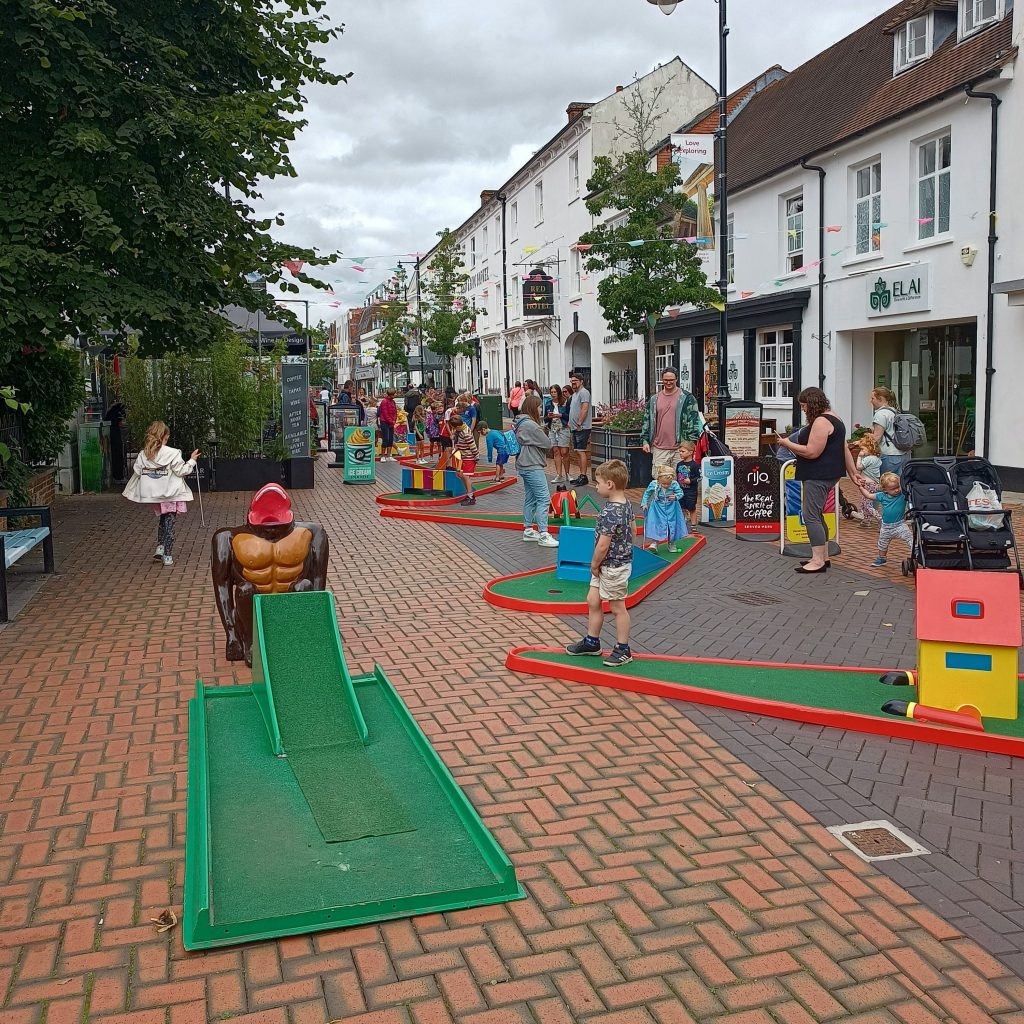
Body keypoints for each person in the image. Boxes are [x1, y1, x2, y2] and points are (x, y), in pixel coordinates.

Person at [775, 387, 863, 574]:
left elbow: (811, 451)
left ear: (812, 404)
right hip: (829, 474)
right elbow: (844, 448)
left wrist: (786, 443)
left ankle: (817, 561)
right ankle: (824, 556)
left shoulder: (821, 422)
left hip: (817, 475)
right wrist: (853, 472)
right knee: (817, 514)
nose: (803, 410)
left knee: (810, 516)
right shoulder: (835, 417)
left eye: (804, 406)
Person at [564, 459, 634, 667]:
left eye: (598, 482)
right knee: (593, 600)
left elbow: (603, 544)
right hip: (610, 564)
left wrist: (594, 564)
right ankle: (592, 642)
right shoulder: (626, 504)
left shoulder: (611, 511)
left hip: (612, 565)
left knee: (617, 606)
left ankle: (623, 649)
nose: (596, 486)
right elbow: (634, 529)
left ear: (610, 484)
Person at [122, 420, 200, 567]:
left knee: (163, 520)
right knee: (170, 522)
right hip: (171, 493)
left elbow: (138, 470)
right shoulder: (173, 453)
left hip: (155, 494)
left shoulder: (144, 454)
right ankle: (168, 555)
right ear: (165, 436)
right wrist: (192, 460)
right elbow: (182, 471)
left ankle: (160, 546)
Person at [514, 394, 558, 548]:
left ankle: (528, 529)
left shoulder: (520, 422)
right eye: (539, 407)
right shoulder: (531, 425)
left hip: (524, 463)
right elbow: (547, 443)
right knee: (544, 498)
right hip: (533, 464)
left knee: (531, 498)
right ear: (533, 407)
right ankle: (544, 533)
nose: (541, 409)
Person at [640, 366, 702, 471]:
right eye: (666, 380)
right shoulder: (654, 399)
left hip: (681, 448)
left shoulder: (687, 398)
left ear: (676, 379)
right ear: (662, 380)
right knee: (660, 480)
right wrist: (645, 441)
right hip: (659, 448)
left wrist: (691, 444)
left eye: (671, 380)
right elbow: (647, 421)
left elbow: (694, 421)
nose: (668, 383)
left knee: (682, 480)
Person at [859, 471, 913, 568]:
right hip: (886, 526)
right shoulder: (882, 496)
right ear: (885, 490)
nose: (897, 490)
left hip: (900, 524)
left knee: (910, 537)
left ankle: (916, 551)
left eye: (898, 487)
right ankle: (882, 558)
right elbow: (868, 495)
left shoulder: (903, 495)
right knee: (882, 542)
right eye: (893, 489)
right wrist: (861, 487)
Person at [641, 465, 687, 553]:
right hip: (657, 507)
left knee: (672, 524)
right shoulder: (654, 484)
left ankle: (671, 543)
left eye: (668, 484)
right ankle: (655, 543)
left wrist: (676, 496)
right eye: (663, 484)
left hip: (672, 507)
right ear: (658, 480)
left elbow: (680, 493)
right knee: (657, 523)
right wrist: (644, 503)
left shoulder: (674, 484)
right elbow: (647, 493)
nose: (666, 485)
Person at [869, 387, 909, 478]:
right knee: (898, 485)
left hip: (888, 455)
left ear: (881, 399)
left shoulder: (881, 414)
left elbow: (877, 437)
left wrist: (866, 451)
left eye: (872, 398)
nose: (870, 401)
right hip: (902, 454)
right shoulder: (895, 412)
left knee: (886, 485)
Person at [567, 372, 593, 486]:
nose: (573, 383)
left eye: (575, 381)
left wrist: (579, 423)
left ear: (581, 382)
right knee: (577, 451)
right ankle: (581, 475)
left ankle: (584, 476)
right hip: (575, 427)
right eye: (572, 381)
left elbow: (585, 408)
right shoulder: (575, 394)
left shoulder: (584, 392)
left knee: (581, 451)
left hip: (582, 427)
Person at [544, 384, 571, 485]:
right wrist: (549, 416)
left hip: (563, 427)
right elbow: (545, 418)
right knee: (556, 451)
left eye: (555, 392)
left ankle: (567, 473)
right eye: (551, 392)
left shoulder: (565, 402)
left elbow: (569, 416)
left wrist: (560, 415)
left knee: (564, 451)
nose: (553, 394)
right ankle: (559, 475)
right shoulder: (548, 403)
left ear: (558, 392)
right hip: (552, 428)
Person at [449, 414, 479, 506]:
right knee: (460, 474)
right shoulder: (461, 428)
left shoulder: (466, 433)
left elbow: (472, 446)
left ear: (458, 426)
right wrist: (457, 445)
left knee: (466, 476)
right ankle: (470, 494)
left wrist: (476, 457)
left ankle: (470, 497)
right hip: (463, 456)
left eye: (454, 428)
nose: (453, 430)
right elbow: (458, 438)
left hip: (469, 457)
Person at [855, 434, 883, 525]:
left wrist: (859, 456)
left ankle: (881, 520)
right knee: (864, 503)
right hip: (874, 484)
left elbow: (859, 467)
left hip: (868, 484)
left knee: (867, 504)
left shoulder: (868, 459)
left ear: (870, 448)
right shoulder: (877, 458)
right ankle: (866, 520)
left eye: (863, 449)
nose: (861, 451)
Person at [675, 440, 700, 528]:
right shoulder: (679, 464)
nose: (680, 453)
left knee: (692, 508)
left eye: (683, 451)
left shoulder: (695, 465)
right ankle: (682, 525)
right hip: (680, 490)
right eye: (680, 452)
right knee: (682, 508)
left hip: (691, 492)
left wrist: (691, 481)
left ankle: (693, 526)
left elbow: (700, 477)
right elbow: (677, 476)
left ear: (690, 452)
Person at [378, 388, 398, 461]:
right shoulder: (384, 402)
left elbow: (395, 412)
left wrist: (394, 420)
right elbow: (385, 413)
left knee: (390, 439)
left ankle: (389, 456)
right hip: (384, 422)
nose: (395, 395)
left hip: (391, 422)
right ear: (391, 394)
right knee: (385, 439)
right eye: (394, 394)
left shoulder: (393, 402)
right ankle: (383, 456)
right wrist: (391, 421)